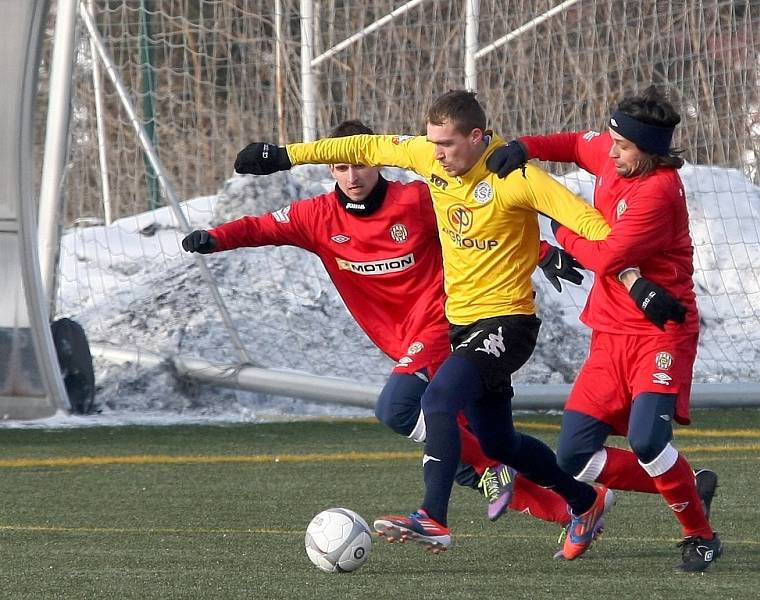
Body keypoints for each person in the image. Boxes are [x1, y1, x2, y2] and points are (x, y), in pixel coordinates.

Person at [231, 91, 626, 561]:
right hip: (463, 323)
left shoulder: (517, 176)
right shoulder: (430, 158)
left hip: (508, 321)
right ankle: (584, 500)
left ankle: (432, 518)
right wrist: (284, 156)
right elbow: (363, 147)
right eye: (432, 142)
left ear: (477, 138)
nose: (435, 153)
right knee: (500, 441)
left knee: (436, 400)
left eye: (447, 143)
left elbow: (590, 223)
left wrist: (633, 279)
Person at [181, 119, 580, 531]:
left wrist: (544, 251)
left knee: (400, 409)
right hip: (403, 341)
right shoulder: (316, 217)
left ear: (376, 162)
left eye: (360, 165)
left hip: (446, 324)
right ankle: (577, 506)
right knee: (481, 452)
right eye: (341, 168)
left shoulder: (417, 201)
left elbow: (482, 223)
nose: (352, 176)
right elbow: (260, 227)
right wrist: (214, 238)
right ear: (330, 171)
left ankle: (467, 492)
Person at [486, 85, 722, 572]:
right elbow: (575, 144)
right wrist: (526, 146)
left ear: (650, 152)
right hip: (611, 332)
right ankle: (688, 484)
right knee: (574, 456)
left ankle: (700, 536)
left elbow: (605, 255)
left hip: (661, 332)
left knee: (648, 442)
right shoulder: (615, 153)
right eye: (613, 141)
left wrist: (559, 228)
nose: (610, 152)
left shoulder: (657, 192)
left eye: (623, 147)